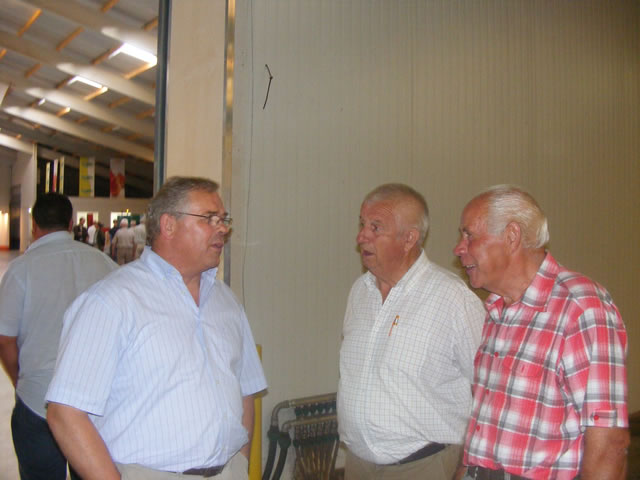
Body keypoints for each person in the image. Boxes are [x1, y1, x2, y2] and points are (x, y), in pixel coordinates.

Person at [46, 176, 267, 480]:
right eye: (209, 219)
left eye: (223, 219)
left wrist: (239, 464)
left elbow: (245, 389)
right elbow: (65, 413)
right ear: (168, 225)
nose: (222, 229)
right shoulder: (111, 302)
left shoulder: (227, 303)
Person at [453, 185, 629, 480]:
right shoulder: (497, 309)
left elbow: (609, 444)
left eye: (469, 235)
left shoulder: (581, 307)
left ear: (512, 236)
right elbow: (481, 430)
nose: (458, 248)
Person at [337, 183, 486, 480]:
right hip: (357, 464)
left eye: (375, 227)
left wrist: (470, 465)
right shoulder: (360, 292)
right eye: (362, 224)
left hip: (423, 466)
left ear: (409, 239)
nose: (361, 236)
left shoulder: (453, 298)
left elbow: (488, 389)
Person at [0, 193, 117, 480]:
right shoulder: (105, 264)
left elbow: (5, 339)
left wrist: (20, 380)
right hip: (94, 404)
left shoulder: (21, 270)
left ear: (33, 225)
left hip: (38, 400)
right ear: (70, 222)